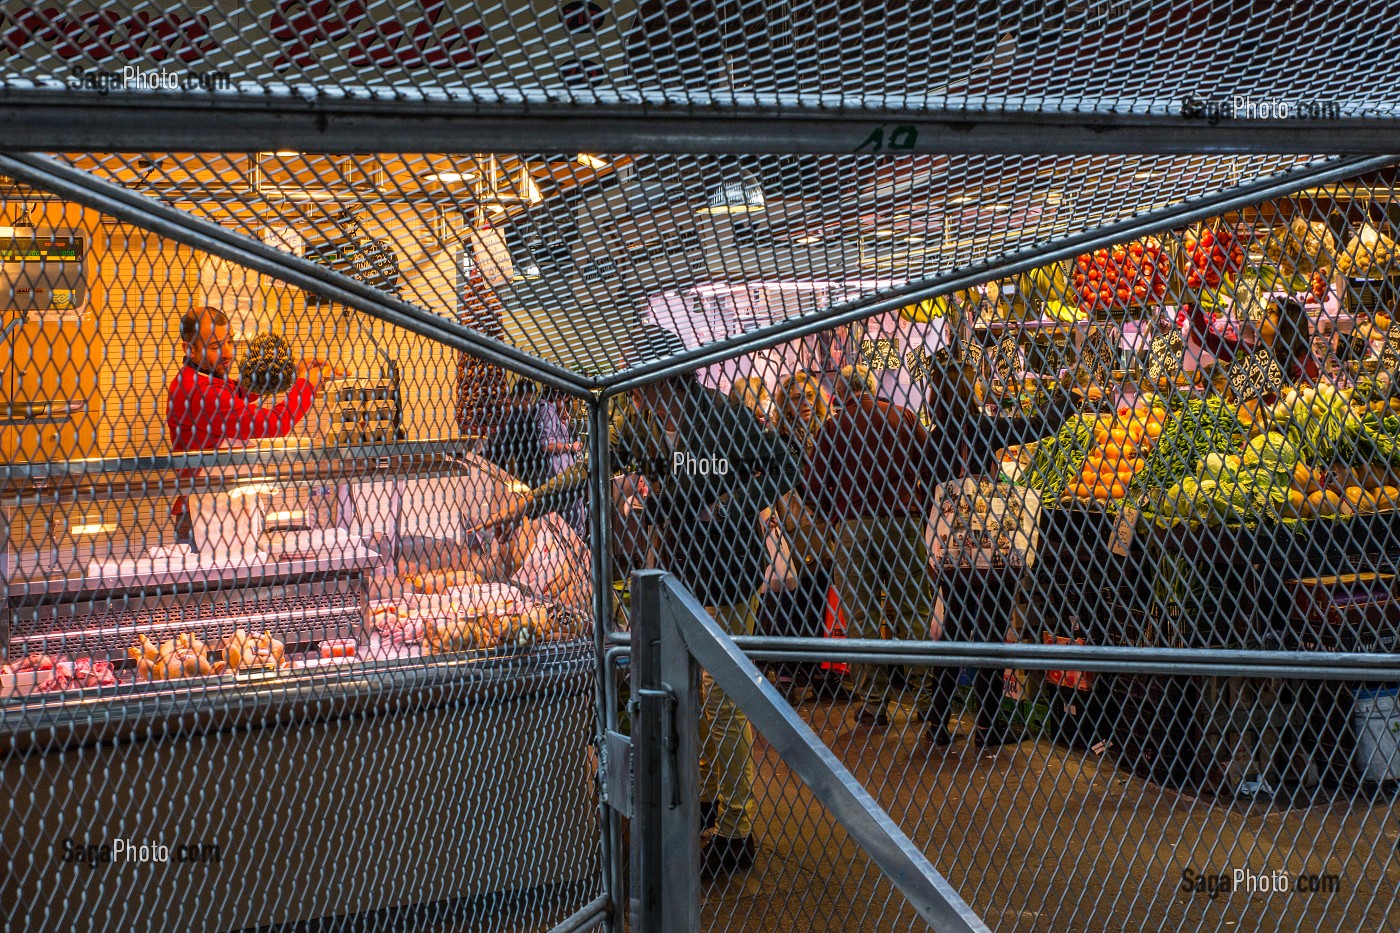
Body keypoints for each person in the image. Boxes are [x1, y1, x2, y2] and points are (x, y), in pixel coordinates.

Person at [610, 326, 799, 878]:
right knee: (691, 693)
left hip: (730, 572)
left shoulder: (718, 413)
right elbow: (610, 465)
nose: (633, 390)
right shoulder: (640, 423)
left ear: (663, 373)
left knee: (721, 698)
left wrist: (736, 504)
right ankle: (711, 800)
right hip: (682, 572)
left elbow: (785, 463)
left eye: (638, 377)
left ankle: (738, 831)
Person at [806, 362, 943, 741]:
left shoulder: (832, 428)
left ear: (842, 392)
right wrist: (920, 504)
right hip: (905, 523)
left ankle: (873, 705)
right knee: (912, 607)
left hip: (854, 527)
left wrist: (832, 516)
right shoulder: (904, 417)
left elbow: (814, 485)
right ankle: (927, 700)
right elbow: (931, 468)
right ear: (870, 387)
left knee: (861, 615)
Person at [166, 306, 329, 541]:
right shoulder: (200, 391)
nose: (228, 353)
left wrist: (290, 371)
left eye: (230, 341)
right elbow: (274, 425)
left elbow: (239, 391)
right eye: (215, 347)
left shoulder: (199, 378)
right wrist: (307, 385)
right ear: (189, 349)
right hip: (206, 517)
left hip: (224, 508)